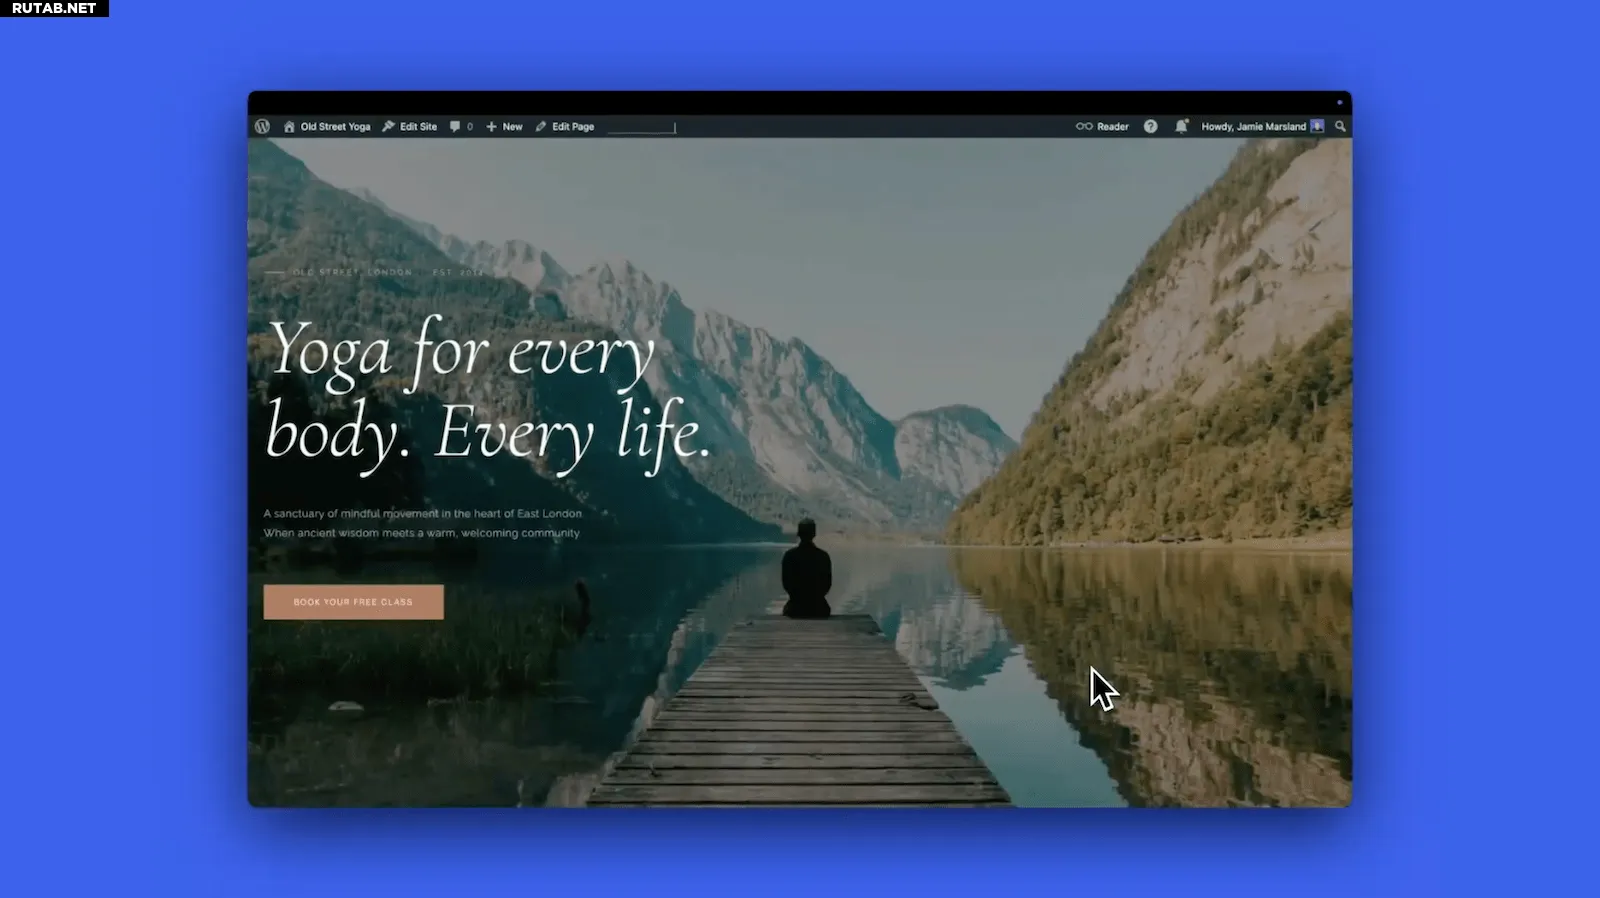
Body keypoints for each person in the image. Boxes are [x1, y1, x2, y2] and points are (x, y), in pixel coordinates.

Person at [781, 518, 832, 619]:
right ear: (814, 534)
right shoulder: (823, 556)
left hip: (795, 608)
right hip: (819, 608)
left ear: (799, 534)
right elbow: (827, 584)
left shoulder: (789, 556)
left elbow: (786, 583)